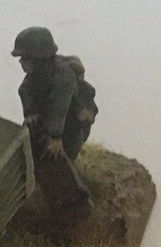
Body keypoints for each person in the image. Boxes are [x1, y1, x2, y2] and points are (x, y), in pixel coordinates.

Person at [13, 26, 99, 227]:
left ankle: (74, 205)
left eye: (25, 58)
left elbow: (60, 107)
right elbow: (25, 90)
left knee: (63, 159)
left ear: (38, 59)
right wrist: (30, 113)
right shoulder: (36, 76)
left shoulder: (64, 76)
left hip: (73, 124)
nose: (21, 62)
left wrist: (54, 136)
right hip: (50, 120)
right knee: (36, 152)